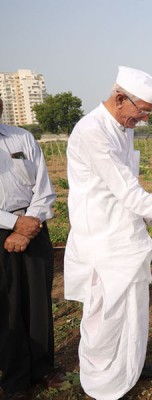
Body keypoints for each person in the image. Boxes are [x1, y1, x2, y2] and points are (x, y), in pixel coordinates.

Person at [64, 66, 152, 400]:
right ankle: (102, 387)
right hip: (103, 239)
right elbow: (129, 194)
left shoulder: (123, 128)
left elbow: (130, 184)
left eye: (147, 115)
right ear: (119, 97)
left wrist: (150, 213)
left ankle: (131, 368)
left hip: (127, 235)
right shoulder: (92, 132)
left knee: (134, 312)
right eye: (141, 112)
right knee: (105, 318)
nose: (141, 121)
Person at [0, 97, 64, 399]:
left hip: (33, 225)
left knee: (38, 302)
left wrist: (28, 224)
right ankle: (15, 380)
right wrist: (12, 225)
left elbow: (43, 186)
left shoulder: (21, 137)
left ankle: (43, 367)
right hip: (3, 230)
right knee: (7, 307)